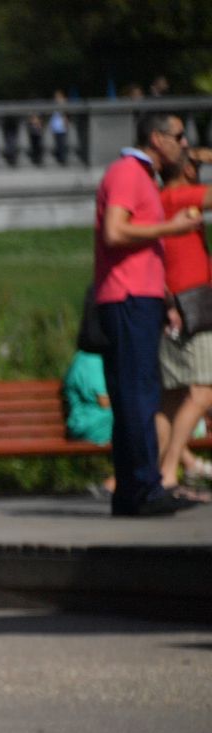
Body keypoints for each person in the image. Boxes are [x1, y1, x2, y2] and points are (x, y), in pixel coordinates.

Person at [92, 111, 201, 516]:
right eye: (179, 136)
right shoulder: (127, 173)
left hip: (142, 298)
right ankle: (143, 488)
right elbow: (115, 232)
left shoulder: (143, 179)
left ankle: (134, 491)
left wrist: (167, 297)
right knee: (138, 395)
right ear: (156, 138)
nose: (185, 144)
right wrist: (170, 229)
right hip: (127, 299)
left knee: (138, 393)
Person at [157, 146, 212, 498]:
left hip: (172, 304)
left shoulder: (161, 198)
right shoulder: (181, 196)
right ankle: (168, 472)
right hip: (192, 306)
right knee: (203, 391)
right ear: (190, 170)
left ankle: (159, 473)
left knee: (172, 397)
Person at [62, 349, 113, 446]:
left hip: (87, 423)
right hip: (89, 426)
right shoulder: (90, 361)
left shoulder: (82, 359)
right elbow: (104, 401)